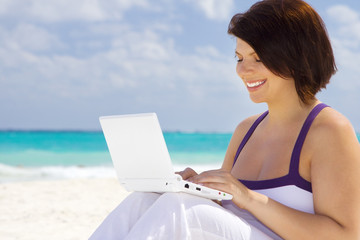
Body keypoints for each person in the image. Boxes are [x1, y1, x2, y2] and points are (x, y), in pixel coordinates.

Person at [90, 0, 360, 239]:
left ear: (296, 57)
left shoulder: (328, 129)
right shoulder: (246, 130)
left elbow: (345, 235)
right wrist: (198, 188)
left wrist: (249, 198)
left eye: (258, 57)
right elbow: (223, 213)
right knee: (145, 199)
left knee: (179, 209)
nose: (244, 69)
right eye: (239, 57)